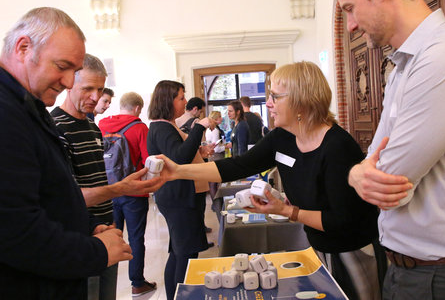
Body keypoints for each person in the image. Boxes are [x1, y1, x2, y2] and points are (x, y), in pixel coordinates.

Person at [158, 62, 383, 300]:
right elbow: (237, 166)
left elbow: (340, 221)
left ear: (301, 100)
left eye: (275, 96)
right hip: (317, 246)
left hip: (352, 251)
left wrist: (287, 210)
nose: (267, 104)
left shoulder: (337, 147)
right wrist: (178, 171)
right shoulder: (282, 137)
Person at [332, 0, 445, 299]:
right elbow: (369, 165)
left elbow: (388, 183)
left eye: (351, 8)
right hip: (407, 268)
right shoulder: (403, 65)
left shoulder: (444, 58)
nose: (350, 25)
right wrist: (356, 173)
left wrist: (364, 173)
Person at [0, 7, 132, 299]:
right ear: (23, 48)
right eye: (62, 67)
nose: (69, 82)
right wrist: (96, 251)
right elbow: (15, 231)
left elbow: (51, 192)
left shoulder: (27, 104)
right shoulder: (6, 111)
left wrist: (86, 225)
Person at [51, 54, 164, 300]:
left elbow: (96, 180)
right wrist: (120, 188)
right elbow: (66, 198)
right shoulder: (55, 128)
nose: (95, 96)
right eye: (88, 88)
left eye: (100, 89)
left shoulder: (93, 127)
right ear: (70, 83)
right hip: (80, 237)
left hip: (106, 230)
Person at [147, 80, 214, 300]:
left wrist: (200, 150)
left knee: (179, 251)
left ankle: (176, 295)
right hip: (178, 197)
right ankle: (181, 295)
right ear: (168, 100)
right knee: (184, 252)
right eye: (181, 98)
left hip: (179, 196)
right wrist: (200, 127)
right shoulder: (163, 127)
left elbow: (182, 153)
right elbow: (180, 157)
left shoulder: (166, 125)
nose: (185, 102)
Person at [98, 92, 157, 297]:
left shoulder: (101, 125)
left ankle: (105, 288)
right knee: (136, 238)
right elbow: (148, 161)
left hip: (107, 191)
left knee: (108, 237)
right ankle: (137, 283)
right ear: (138, 108)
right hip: (134, 192)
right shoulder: (140, 128)